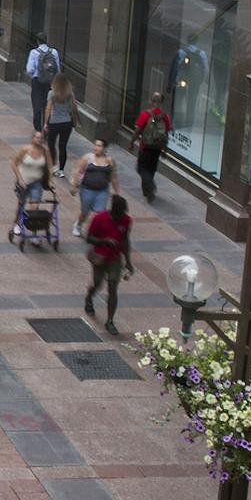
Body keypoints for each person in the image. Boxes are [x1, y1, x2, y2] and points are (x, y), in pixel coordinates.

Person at [84, 195, 136, 335]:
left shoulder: (126, 220)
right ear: (113, 210)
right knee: (97, 283)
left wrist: (128, 262)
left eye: (123, 212)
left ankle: (110, 321)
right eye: (119, 213)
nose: (121, 216)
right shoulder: (99, 218)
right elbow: (89, 238)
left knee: (113, 287)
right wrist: (104, 241)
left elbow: (125, 241)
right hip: (100, 257)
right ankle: (89, 298)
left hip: (115, 258)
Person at [71, 138, 121, 237]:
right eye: (95, 145)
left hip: (102, 191)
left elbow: (113, 177)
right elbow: (79, 171)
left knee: (100, 213)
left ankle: (95, 230)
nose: (96, 148)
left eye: (99, 146)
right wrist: (74, 186)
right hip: (86, 189)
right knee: (85, 211)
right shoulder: (88, 158)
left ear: (105, 148)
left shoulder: (110, 161)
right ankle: (78, 224)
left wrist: (117, 192)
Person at [132, 92, 170, 202]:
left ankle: (150, 187)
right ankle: (147, 191)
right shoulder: (165, 117)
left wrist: (131, 142)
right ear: (161, 102)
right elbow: (166, 134)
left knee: (141, 168)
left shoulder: (145, 114)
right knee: (151, 169)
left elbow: (138, 130)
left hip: (146, 147)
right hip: (157, 148)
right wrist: (165, 150)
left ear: (151, 100)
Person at [25, 34, 61, 132]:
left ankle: (38, 130)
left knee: (37, 105)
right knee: (48, 105)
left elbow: (29, 69)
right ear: (46, 40)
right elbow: (57, 70)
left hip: (37, 82)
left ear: (37, 41)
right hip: (50, 82)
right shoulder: (54, 52)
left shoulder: (34, 52)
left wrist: (36, 73)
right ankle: (47, 127)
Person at [44, 73, 78, 179]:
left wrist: (45, 122)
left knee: (51, 144)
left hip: (54, 122)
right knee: (63, 146)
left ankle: (54, 166)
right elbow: (74, 108)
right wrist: (75, 121)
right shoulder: (70, 93)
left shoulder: (51, 93)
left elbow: (48, 108)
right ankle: (61, 170)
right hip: (67, 123)